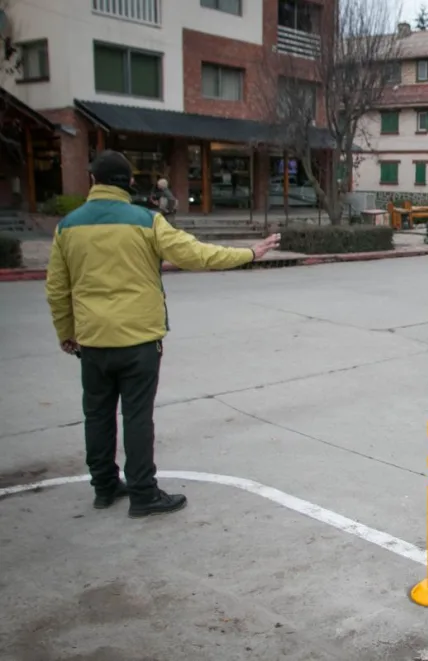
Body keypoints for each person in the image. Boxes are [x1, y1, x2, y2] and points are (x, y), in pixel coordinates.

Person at [45, 150, 281, 519]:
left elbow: (57, 289)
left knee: (97, 415)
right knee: (137, 417)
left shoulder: (67, 227)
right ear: (129, 183)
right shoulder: (147, 221)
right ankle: (143, 493)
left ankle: (104, 487)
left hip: (92, 340)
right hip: (139, 340)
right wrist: (249, 253)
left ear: (93, 180)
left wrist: (66, 332)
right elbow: (195, 255)